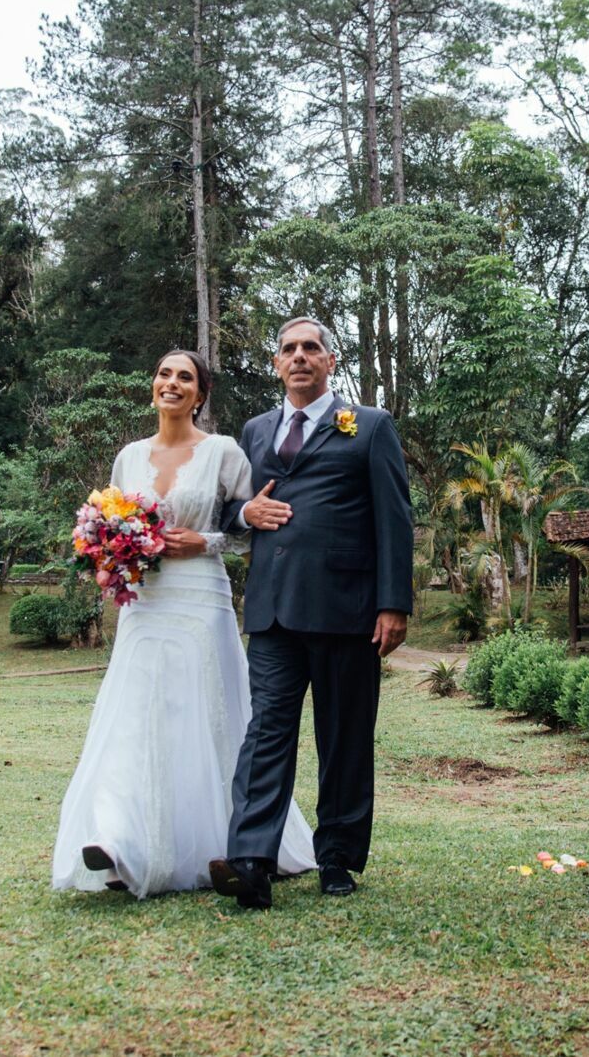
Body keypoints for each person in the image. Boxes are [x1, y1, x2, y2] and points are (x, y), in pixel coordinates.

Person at [51, 349, 315, 898]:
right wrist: (111, 553)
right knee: (133, 714)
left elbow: (252, 529)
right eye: (165, 373)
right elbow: (116, 524)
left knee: (208, 714)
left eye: (185, 378)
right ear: (154, 385)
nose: (172, 383)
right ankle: (118, 841)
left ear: (201, 394)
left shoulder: (222, 452)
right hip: (144, 602)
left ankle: (232, 840)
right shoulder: (128, 458)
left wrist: (205, 540)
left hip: (203, 595)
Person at [209, 316, 413, 909]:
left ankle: (338, 858)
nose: (300, 356)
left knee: (345, 736)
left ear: (330, 361)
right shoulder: (254, 431)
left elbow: (393, 519)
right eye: (289, 349)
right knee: (266, 731)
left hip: (348, 611)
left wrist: (393, 603)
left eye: (311, 348)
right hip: (272, 610)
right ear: (277, 364)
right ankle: (250, 858)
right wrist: (244, 516)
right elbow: (227, 510)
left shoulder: (369, 426)